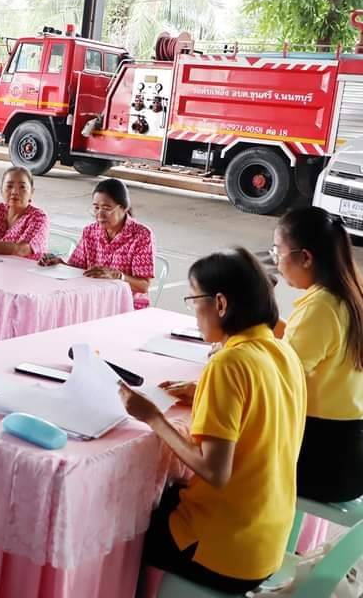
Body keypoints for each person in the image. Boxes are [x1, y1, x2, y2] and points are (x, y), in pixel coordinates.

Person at [120, 248, 304, 593]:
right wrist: (202, 392)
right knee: (170, 496)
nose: (194, 313)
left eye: (194, 300)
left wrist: (153, 417)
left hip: (224, 550)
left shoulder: (228, 364)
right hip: (267, 540)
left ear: (220, 304)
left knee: (123, 529)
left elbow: (214, 472)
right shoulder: (282, 350)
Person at [272, 207, 363, 503]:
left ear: (306, 257)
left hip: (321, 460)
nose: (276, 260)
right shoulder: (347, 296)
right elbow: (303, 346)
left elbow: (278, 380)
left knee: (212, 464)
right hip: (347, 454)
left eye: (278, 251)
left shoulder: (320, 308)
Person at [38, 178, 155, 308]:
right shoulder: (90, 232)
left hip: (127, 305)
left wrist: (117, 275)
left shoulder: (141, 235)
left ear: (124, 207)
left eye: (106, 208)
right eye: (96, 208)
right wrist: (59, 264)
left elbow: (143, 286)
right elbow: (77, 270)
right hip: (92, 300)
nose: (100, 214)